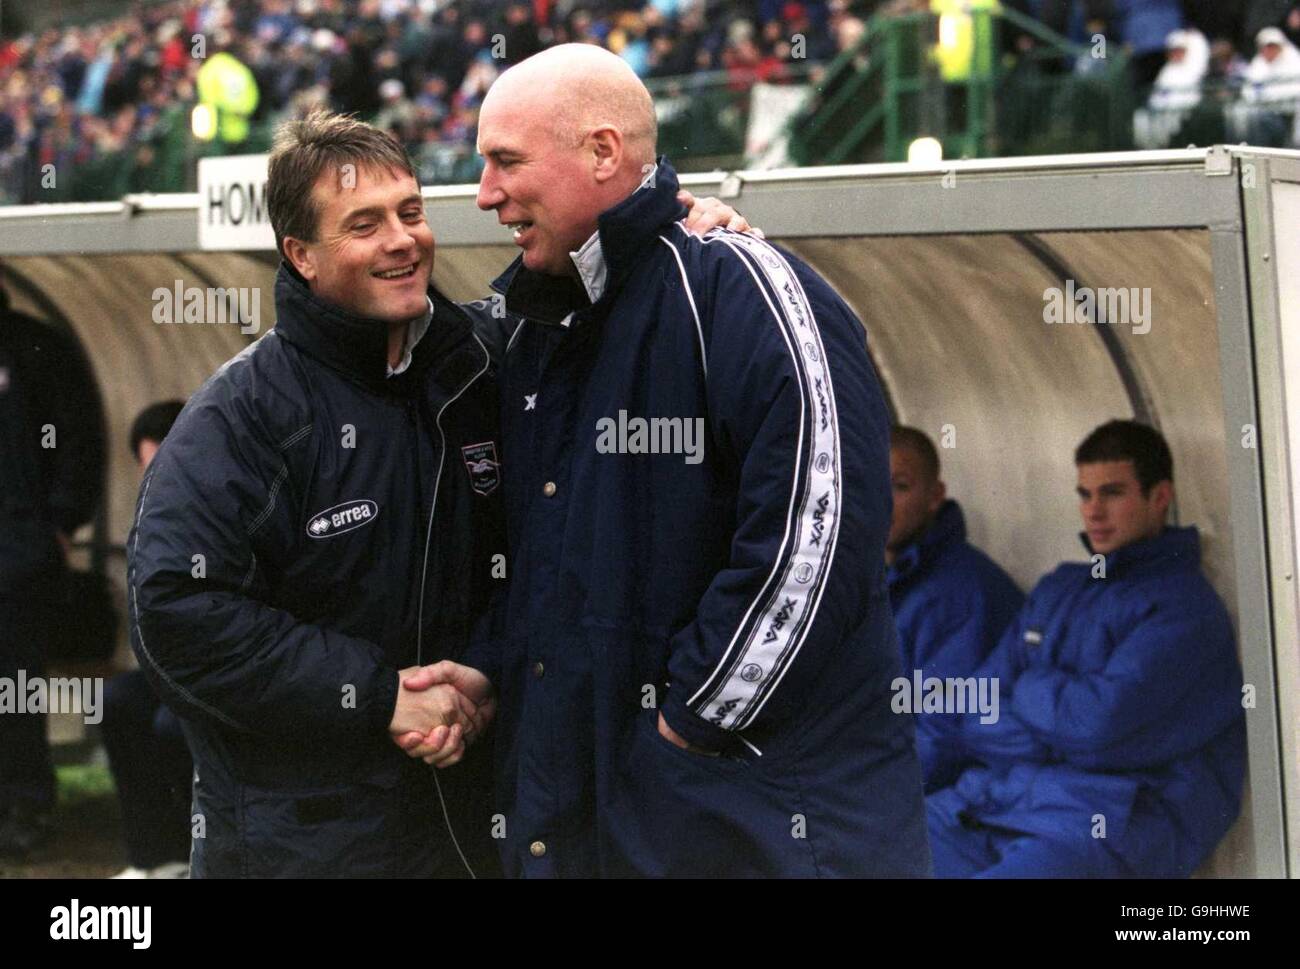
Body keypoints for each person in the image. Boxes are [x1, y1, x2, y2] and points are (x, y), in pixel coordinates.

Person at [128, 110, 755, 878]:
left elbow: (610, 330)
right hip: (300, 847)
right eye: (365, 224)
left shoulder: (491, 362)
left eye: (411, 212)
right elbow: (176, 610)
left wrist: (685, 235)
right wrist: (377, 694)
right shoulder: (243, 417)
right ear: (302, 255)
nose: (401, 239)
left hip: (470, 828)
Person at [406, 44, 931, 877]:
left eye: (506, 161)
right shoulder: (531, 331)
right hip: (607, 825)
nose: (485, 194)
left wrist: (688, 724)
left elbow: (818, 537)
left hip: (756, 830)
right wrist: (492, 666)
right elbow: (554, 568)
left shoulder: (742, 286)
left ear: (604, 152)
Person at [925, 420, 1246, 877]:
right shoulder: (1060, 588)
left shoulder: (1183, 610)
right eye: (1085, 494)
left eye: (1113, 493)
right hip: (1001, 798)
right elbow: (977, 713)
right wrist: (1053, 723)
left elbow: (1095, 730)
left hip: (1107, 821)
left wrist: (1028, 687)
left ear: (1159, 498)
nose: (1094, 512)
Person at [0, 273, 106, 860]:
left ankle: (24, 805)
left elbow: (78, 441)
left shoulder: (35, 346)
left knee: (12, 682)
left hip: (18, 549)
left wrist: (58, 525)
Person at [886, 426, 1022, 792]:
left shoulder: (957, 594)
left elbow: (941, 735)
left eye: (899, 487)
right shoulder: (871, 575)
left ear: (934, 496)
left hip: (943, 789)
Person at [105, 400, 192, 879]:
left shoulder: (239, 498)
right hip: (182, 667)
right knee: (119, 701)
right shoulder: (157, 517)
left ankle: (204, 853)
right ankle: (155, 859)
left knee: (172, 724)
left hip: (239, 666)